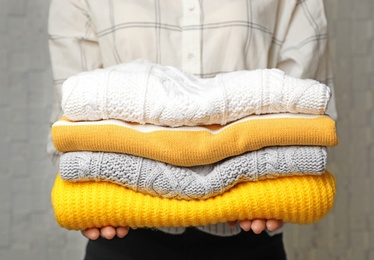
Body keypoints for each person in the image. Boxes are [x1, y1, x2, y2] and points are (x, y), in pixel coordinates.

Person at [47, 0, 337, 259]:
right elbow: (73, 108)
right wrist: (91, 198)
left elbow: (304, 113)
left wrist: (282, 189)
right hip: (124, 240)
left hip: (250, 238)